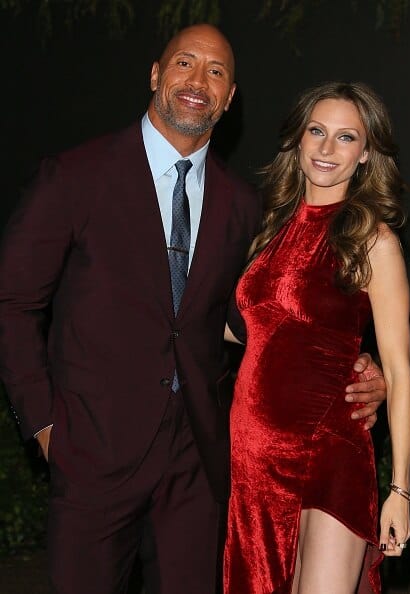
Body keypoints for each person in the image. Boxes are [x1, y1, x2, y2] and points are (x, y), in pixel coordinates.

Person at [0, 25, 385, 594]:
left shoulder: (245, 205)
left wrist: (356, 367)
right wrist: (44, 424)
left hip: (199, 466)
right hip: (92, 453)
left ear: (229, 99)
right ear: (156, 75)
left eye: (216, 71)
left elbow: (265, 317)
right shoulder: (76, 176)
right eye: (185, 63)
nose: (198, 80)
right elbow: (12, 303)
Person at [223, 82, 410, 594]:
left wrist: (400, 491)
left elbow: (399, 374)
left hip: (328, 452)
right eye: (317, 131)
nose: (328, 148)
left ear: (366, 153)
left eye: (346, 137)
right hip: (254, 458)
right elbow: (248, 330)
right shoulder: (270, 230)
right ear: (298, 139)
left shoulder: (373, 240)